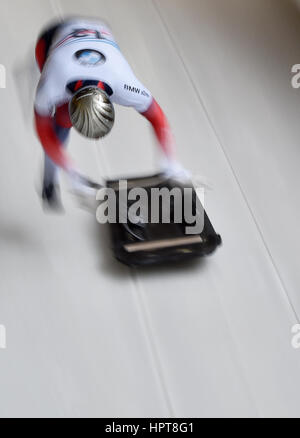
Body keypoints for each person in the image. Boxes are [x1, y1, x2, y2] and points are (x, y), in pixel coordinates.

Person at [34, 16, 188, 210]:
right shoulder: (51, 86)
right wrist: (72, 172)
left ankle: (58, 170)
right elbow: (43, 130)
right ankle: (50, 176)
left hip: (89, 46)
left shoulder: (125, 84)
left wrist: (170, 162)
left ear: (112, 100)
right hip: (51, 39)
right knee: (61, 122)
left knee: (61, 122)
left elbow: (158, 118)